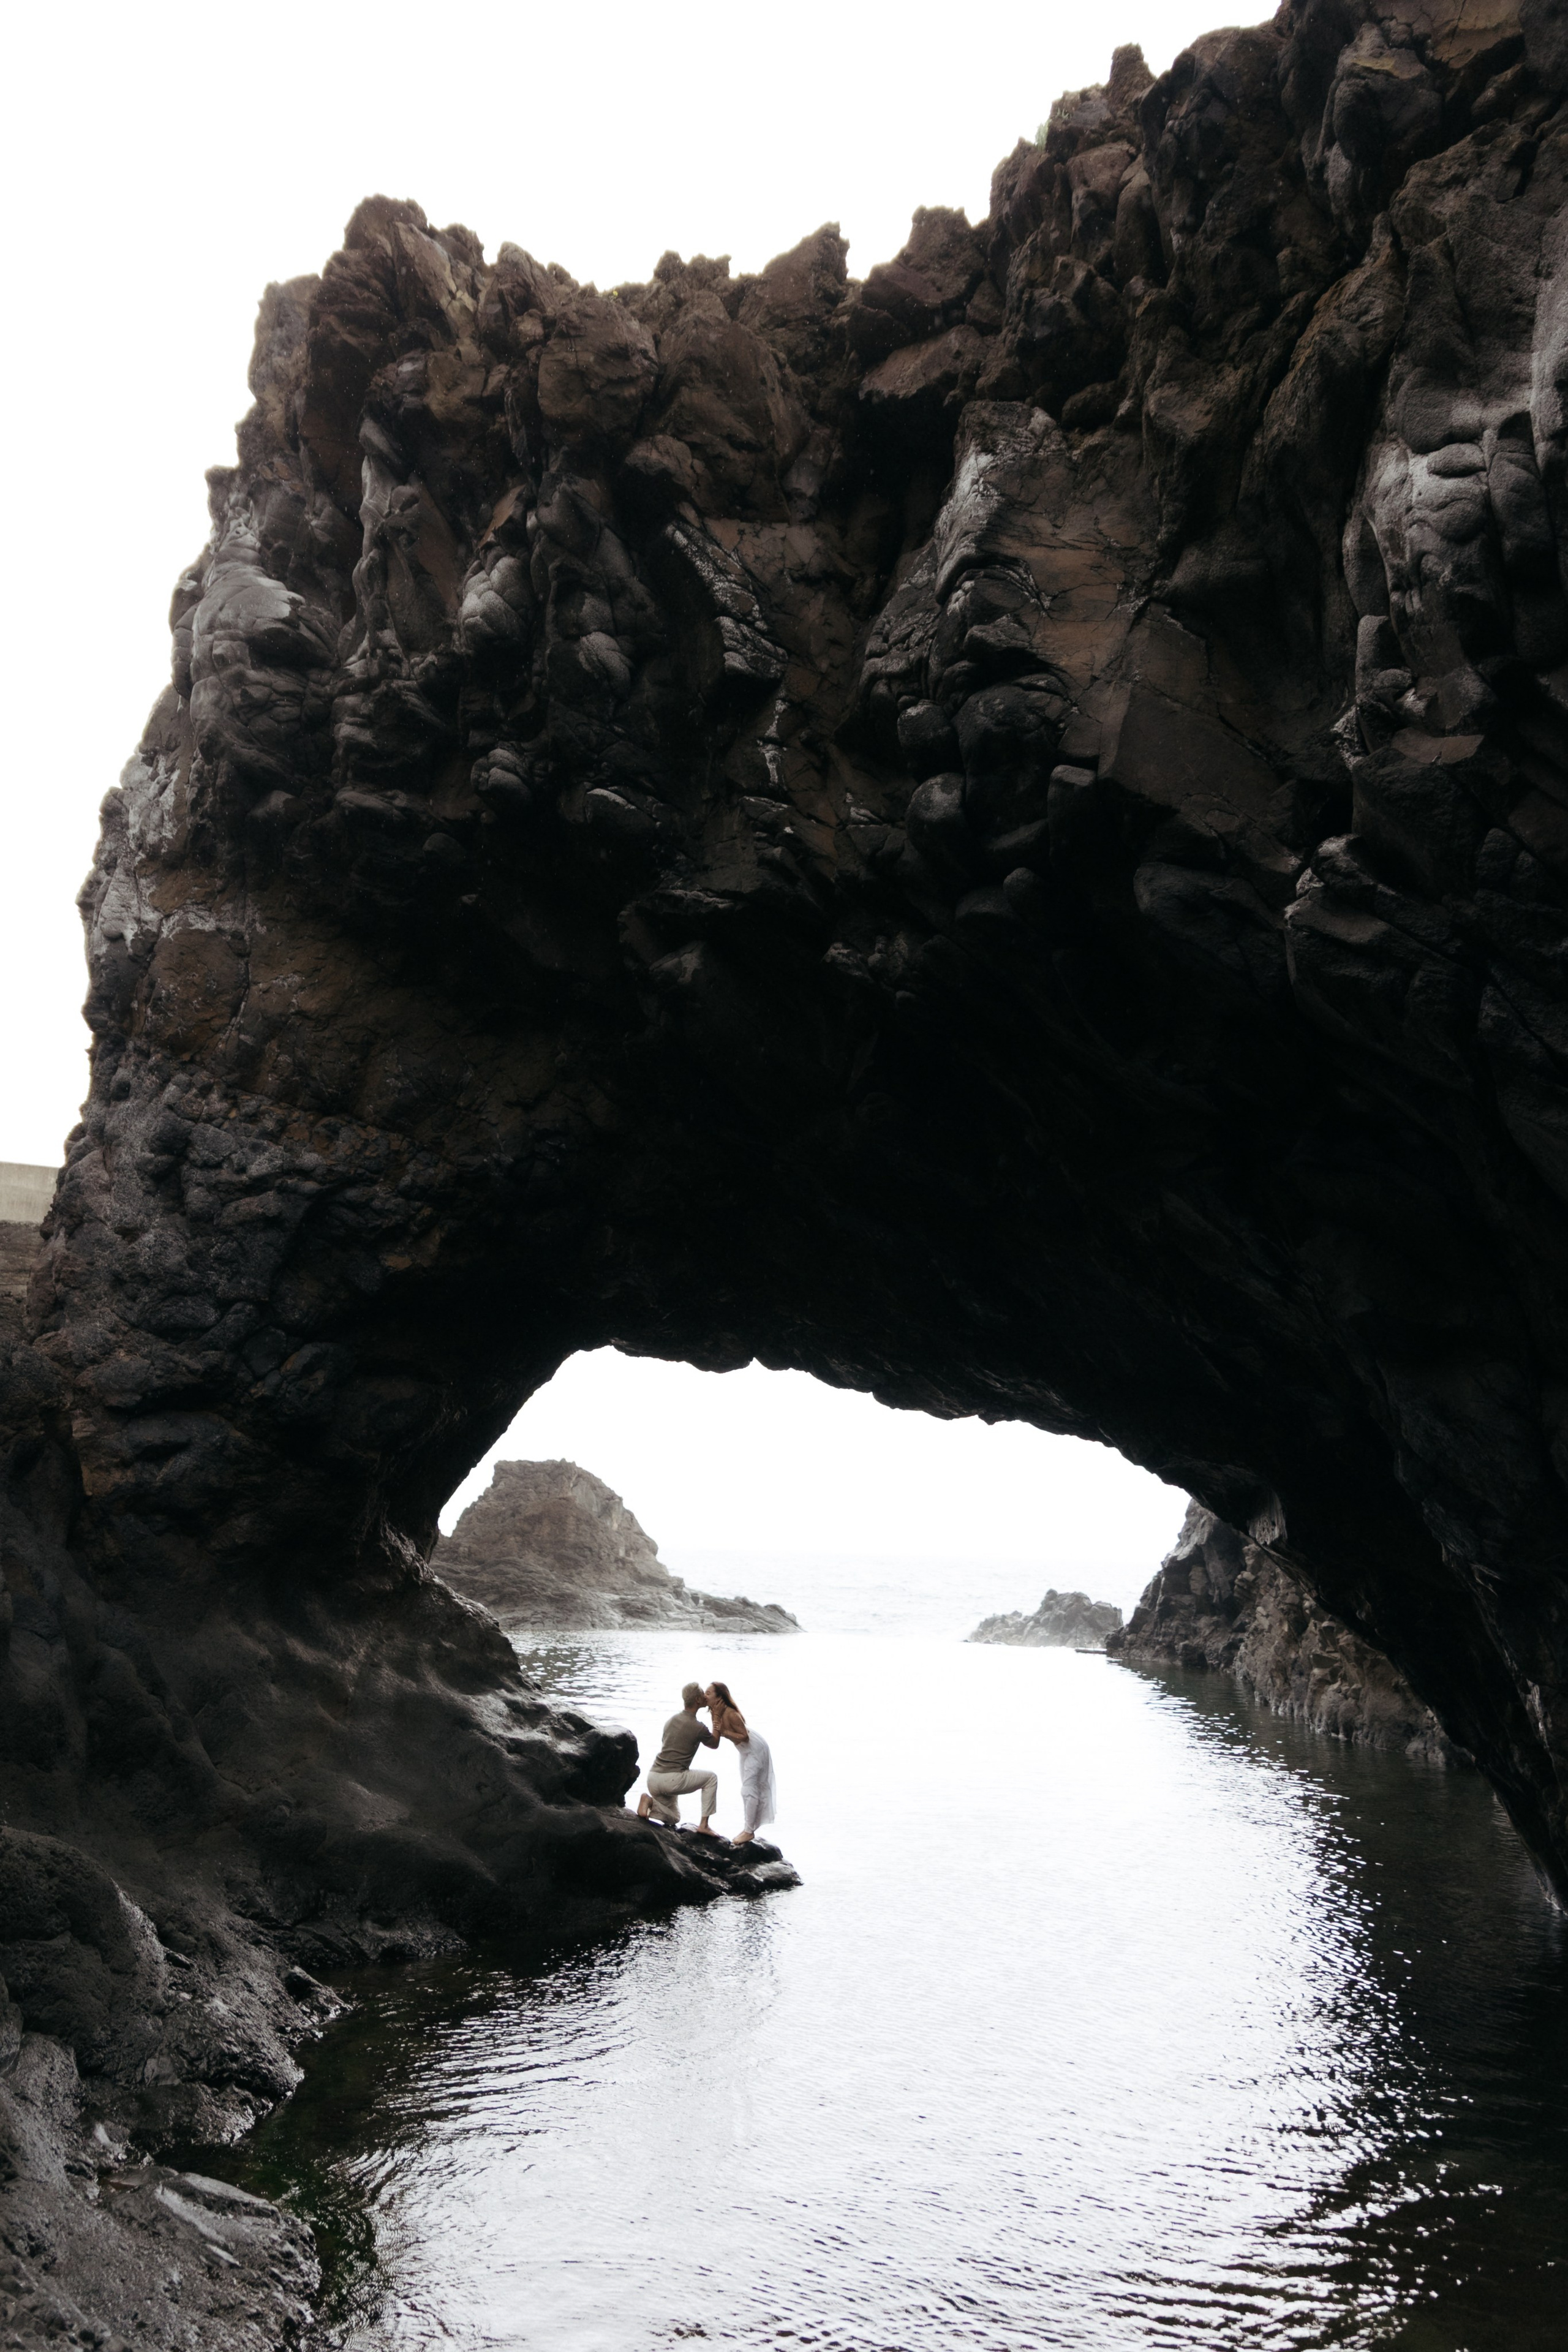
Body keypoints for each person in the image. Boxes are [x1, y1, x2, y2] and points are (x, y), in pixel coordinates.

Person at [638, 1681, 720, 1833]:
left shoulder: (671, 1720)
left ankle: (649, 1803)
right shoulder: (699, 1727)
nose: (705, 1696)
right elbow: (715, 1743)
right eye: (703, 1694)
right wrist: (716, 1715)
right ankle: (704, 1825)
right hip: (672, 1779)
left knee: (674, 1817)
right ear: (697, 1700)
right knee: (711, 1778)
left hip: (653, 1777)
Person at [706, 1679, 776, 1844]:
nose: (705, 1695)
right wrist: (716, 1718)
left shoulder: (730, 1713)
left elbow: (744, 1736)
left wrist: (725, 1731)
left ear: (719, 1697)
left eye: (709, 1693)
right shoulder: (715, 1712)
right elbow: (716, 1737)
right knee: (747, 1786)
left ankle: (749, 1831)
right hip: (744, 1750)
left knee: (748, 1789)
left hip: (755, 1748)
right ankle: (748, 1828)